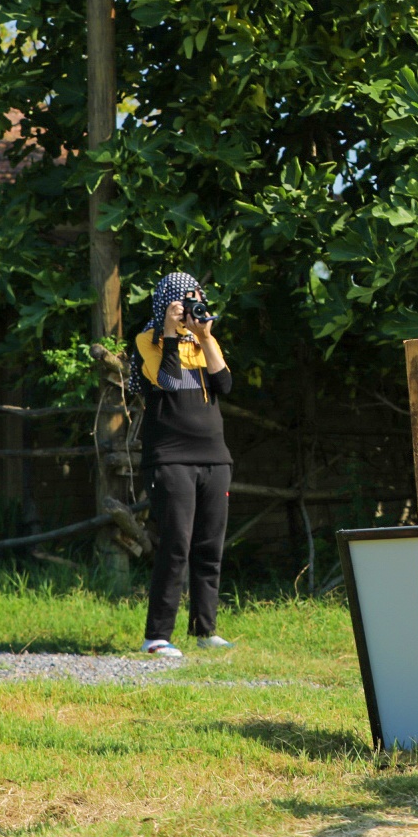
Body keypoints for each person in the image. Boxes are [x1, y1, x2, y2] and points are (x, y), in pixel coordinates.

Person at [128, 272, 236, 657]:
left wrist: (204, 337)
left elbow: (223, 384)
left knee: (210, 546)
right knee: (176, 545)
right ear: (167, 303)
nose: (193, 308)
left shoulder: (204, 340)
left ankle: (204, 630)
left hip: (215, 459)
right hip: (170, 460)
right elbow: (169, 382)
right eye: (185, 301)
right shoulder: (147, 341)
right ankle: (157, 636)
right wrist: (171, 335)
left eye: (197, 299)